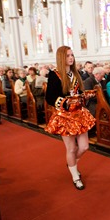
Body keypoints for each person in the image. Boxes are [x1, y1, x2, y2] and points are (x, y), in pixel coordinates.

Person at [45, 46, 96, 190]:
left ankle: (72, 164)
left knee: (85, 146)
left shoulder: (76, 73)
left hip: (79, 113)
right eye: (68, 55)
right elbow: (49, 97)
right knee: (71, 148)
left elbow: (79, 92)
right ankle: (75, 176)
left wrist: (85, 96)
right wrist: (66, 102)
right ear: (62, 57)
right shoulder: (55, 74)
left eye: (72, 55)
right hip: (64, 116)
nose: (71, 58)